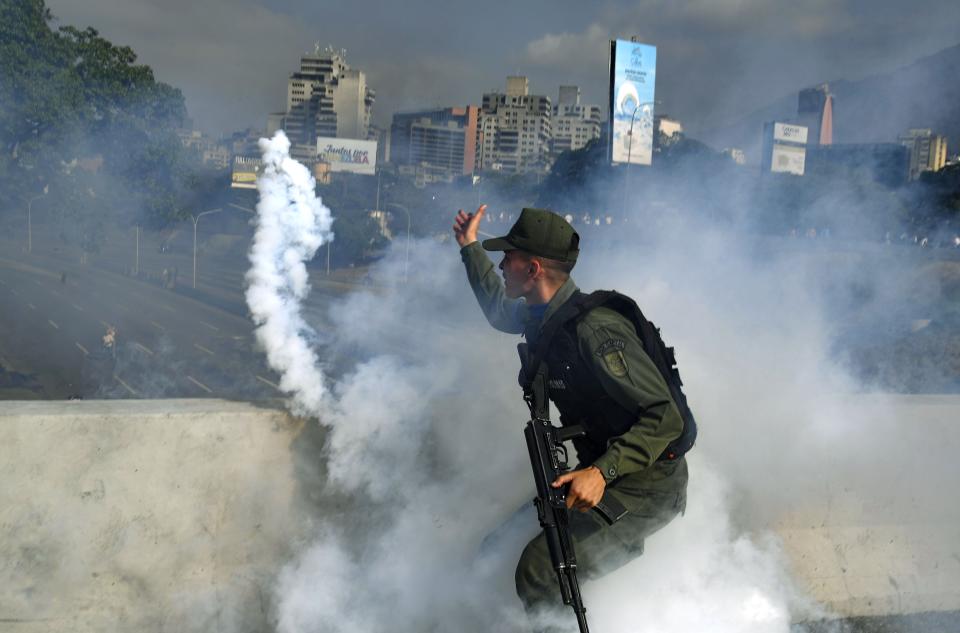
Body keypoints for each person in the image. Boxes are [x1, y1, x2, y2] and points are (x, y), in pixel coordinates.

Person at [453, 205, 691, 625]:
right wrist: (469, 247)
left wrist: (600, 473)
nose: (502, 263)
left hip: (646, 487)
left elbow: (664, 417)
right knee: (495, 551)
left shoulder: (595, 331)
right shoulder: (544, 319)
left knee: (540, 571)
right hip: (600, 474)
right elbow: (497, 310)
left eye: (510, 257)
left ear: (534, 268)